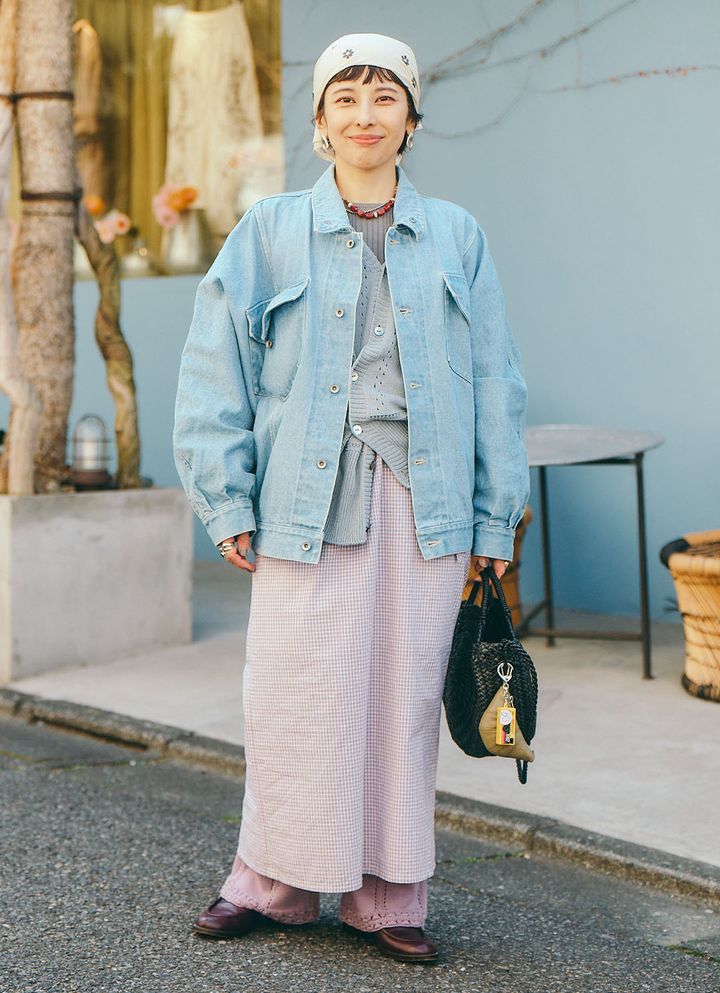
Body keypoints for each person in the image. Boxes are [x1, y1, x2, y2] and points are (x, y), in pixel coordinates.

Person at [173, 32, 530, 964]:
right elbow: (213, 368)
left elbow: (496, 378)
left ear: (411, 122)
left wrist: (495, 515)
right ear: (321, 123)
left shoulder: (457, 234)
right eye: (346, 98)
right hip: (303, 498)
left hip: (426, 499)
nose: (365, 115)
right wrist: (228, 499)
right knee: (292, 697)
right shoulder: (268, 229)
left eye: (384, 98)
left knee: (401, 702)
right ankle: (274, 883)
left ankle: (388, 894)